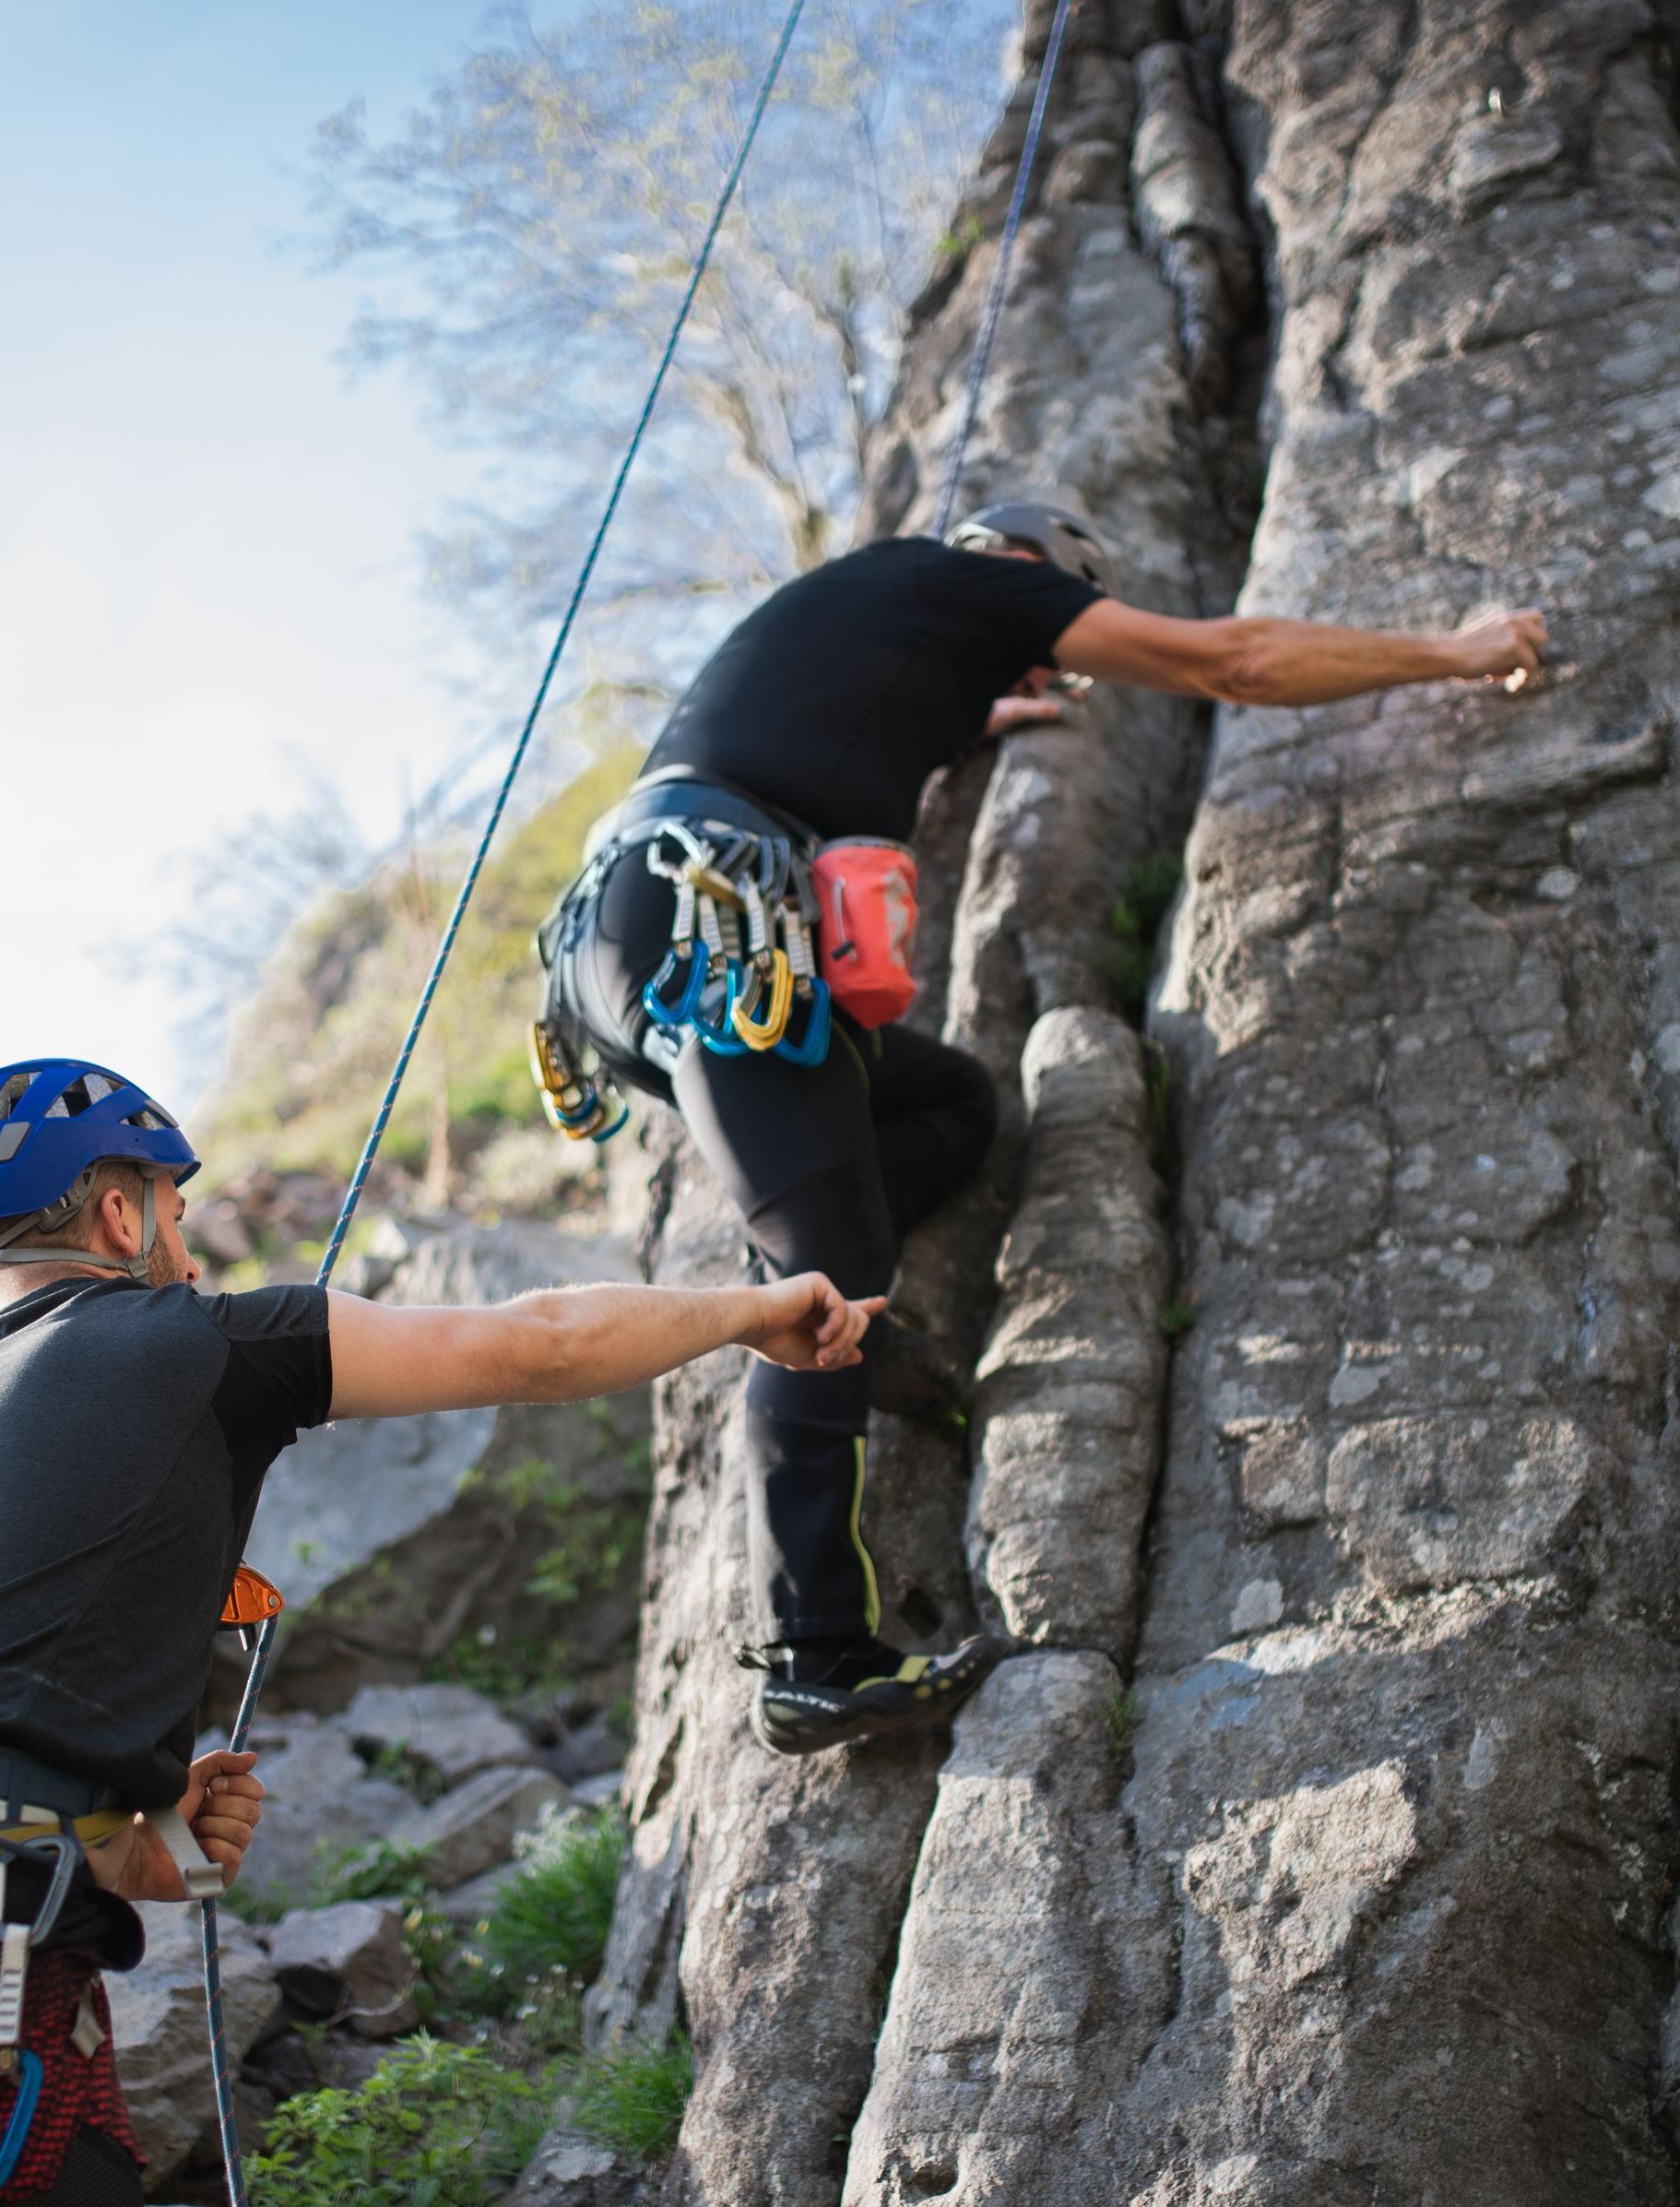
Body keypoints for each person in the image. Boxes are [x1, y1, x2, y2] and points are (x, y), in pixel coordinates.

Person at [0, 1058, 877, 2207]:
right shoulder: (185, 1336)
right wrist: (757, 1311)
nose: (186, 1254)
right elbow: (540, 1346)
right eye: (175, 1220)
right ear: (122, 1217)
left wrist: (123, 1843)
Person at [538, 500, 1547, 1755]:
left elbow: (844, 714)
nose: (1042, 668)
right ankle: (814, 1654)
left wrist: (971, 719)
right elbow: (1231, 659)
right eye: (1045, 649)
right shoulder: (978, 586)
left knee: (950, 1107)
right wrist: (1453, 651)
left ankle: (852, 1320)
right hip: (708, 920)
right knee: (809, 1287)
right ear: (1034, 575)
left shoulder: (878, 617)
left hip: (626, 942)